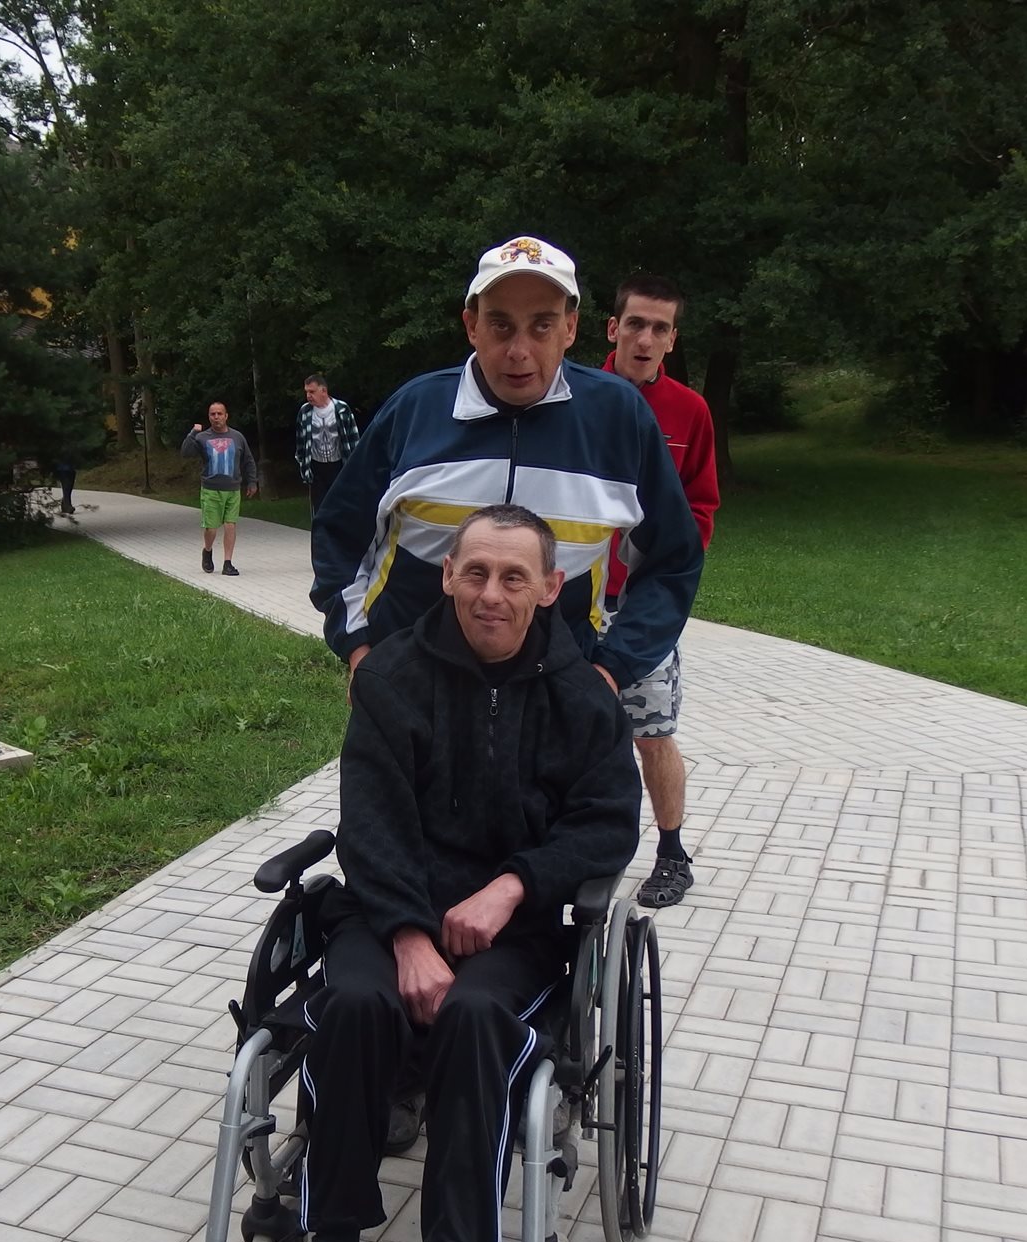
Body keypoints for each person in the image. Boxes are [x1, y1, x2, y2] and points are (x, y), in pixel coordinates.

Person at [212, 505, 639, 1242]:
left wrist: (514, 887)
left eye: (514, 577)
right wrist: (409, 935)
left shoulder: (584, 699)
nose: (491, 593)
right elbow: (368, 824)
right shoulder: (391, 677)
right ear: (446, 575)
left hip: (513, 934)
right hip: (386, 911)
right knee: (352, 1004)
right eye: (474, 572)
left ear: (550, 588)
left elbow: (607, 825)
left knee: (478, 1017)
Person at [311, 234, 703, 706]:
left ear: (570, 328)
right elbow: (341, 533)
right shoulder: (415, 409)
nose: (519, 350)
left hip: (556, 700)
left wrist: (611, 669)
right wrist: (359, 648)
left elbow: (672, 558)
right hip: (408, 690)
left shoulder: (618, 418)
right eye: (500, 325)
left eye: (542, 326)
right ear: (471, 325)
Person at [601, 273, 720, 906]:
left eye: (660, 328)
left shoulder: (689, 411)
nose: (645, 339)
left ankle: (672, 854)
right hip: (565, 598)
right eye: (635, 324)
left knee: (652, 731)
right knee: (556, 728)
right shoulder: (572, 395)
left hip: (640, 607)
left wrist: (664, 571)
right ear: (612, 329)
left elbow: (701, 504)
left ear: (673, 339)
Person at [181, 401, 257, 575]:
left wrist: (252, 481)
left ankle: (227, 563)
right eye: (212, 414)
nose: (216, 417)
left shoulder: (237, 437)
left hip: (233, 488)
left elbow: (248, 460)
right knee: (211, 528)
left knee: (230, 525)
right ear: (209, 417)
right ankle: (207, 550)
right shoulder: (203, 437)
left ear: (226, 416)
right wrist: (193, 432)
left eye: (219, 414)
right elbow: (185, 452)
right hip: (211, 489)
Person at [295, 374, 361, 515]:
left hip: (338, 465)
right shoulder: (305, 412)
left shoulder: (341, 409)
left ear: (323, 390)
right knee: (319, 509)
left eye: (312, 391)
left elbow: (354, 439)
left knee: (340, 506)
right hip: (316, 467)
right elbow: (300, 442)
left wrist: (355, 466)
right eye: (306, 392)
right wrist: (303, 465)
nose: (308, 396)